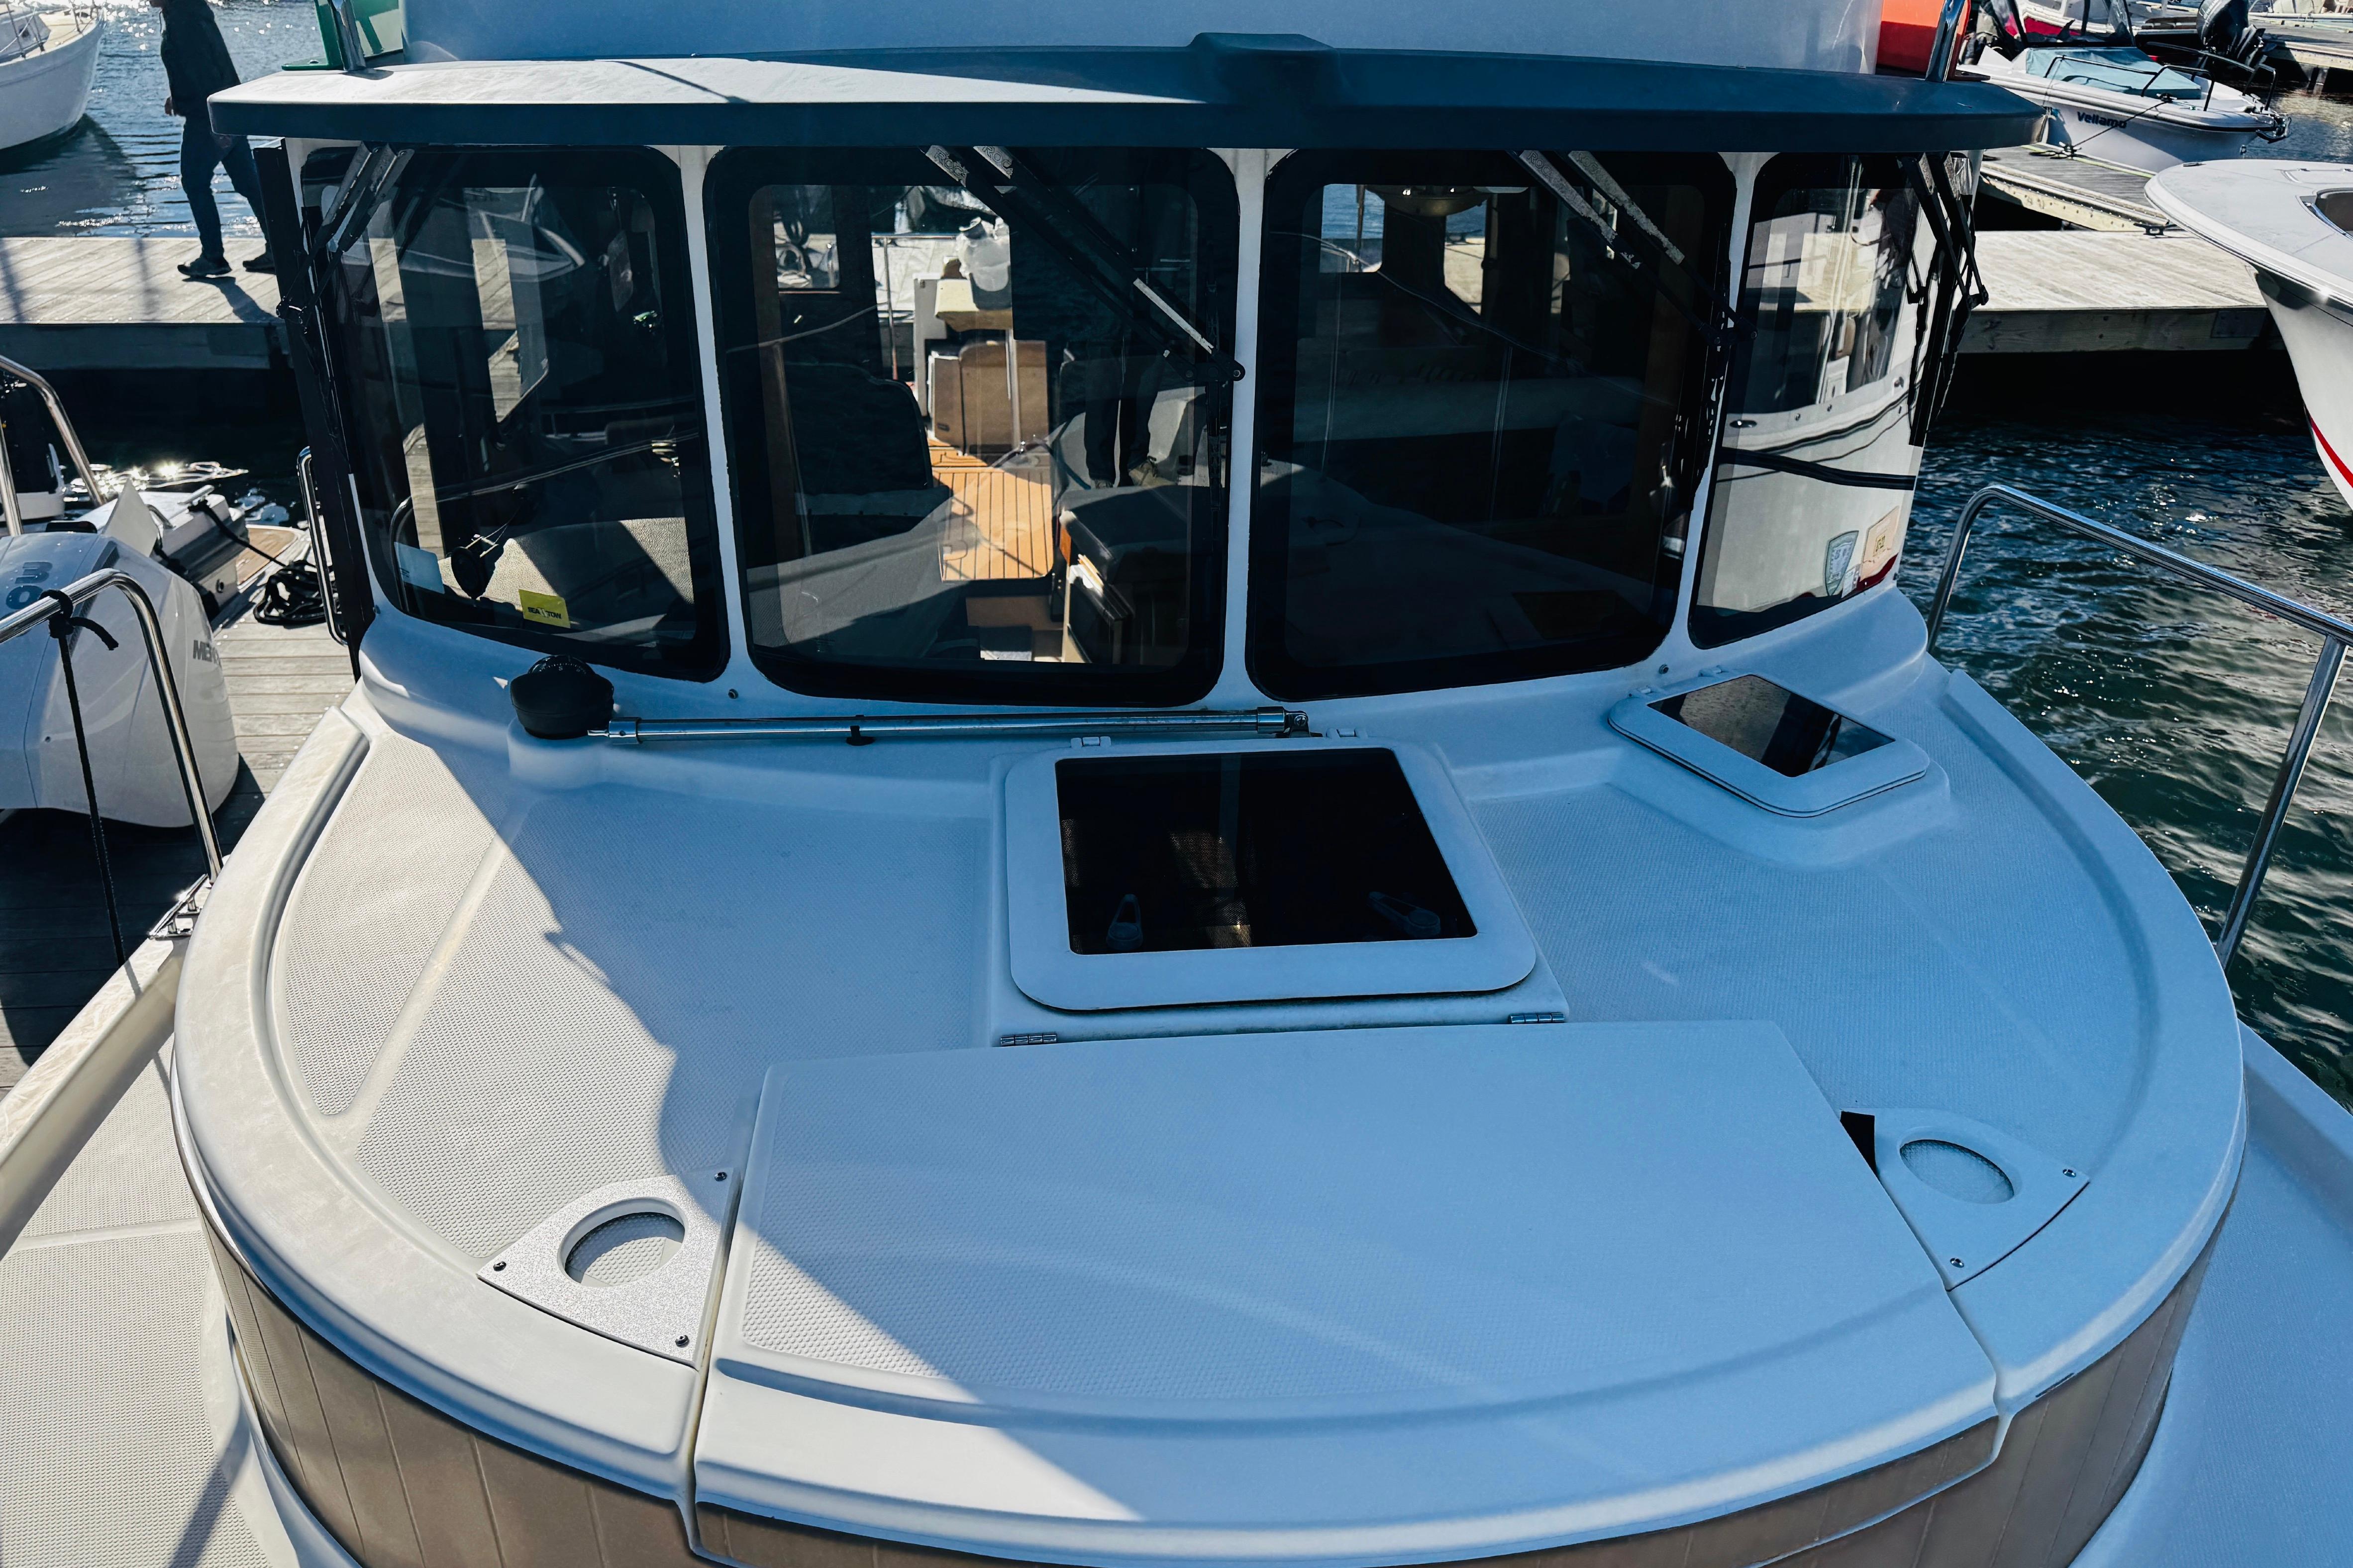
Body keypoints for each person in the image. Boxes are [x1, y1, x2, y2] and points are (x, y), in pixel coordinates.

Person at [152, 0, 271, 279]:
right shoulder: (190, 12)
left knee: (195, 183)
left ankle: (213, 256)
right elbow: (202, 67)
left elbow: (204, 72)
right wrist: (178, 96)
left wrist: (217, 124)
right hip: (227, 107)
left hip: (209, 117)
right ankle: (281, 249)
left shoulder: (183, 21)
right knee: (249, 184)